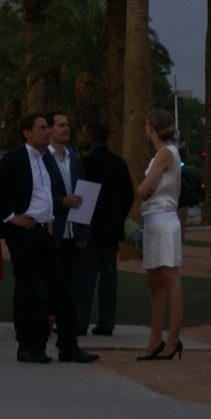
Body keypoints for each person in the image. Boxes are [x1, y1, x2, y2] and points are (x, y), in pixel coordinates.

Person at [0, 112, 97, 364]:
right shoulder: (16, 158)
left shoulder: (44, 159)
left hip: (43, 231)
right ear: (27, 133)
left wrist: (48, 218)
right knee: (28, 289)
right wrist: (10, 216)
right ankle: (28, 346)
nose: (47, 132)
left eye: (48, 128)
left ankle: (68, 345)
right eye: (42, 128)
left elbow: (43, 194)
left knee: (60, 287)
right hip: (23, 231)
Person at [132, 108, 185, 359]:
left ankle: (173, 339)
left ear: (150, 127)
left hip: (163, 219)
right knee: (154, 282)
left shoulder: (165, 153)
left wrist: (144, 188)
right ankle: (155, 339)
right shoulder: (164, 154)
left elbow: (143, 188)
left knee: (169, 279)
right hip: (154, 220)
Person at [75, 121, 134, 337]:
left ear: (90, 136)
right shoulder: (119, 163)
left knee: (86, 275)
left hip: (92, 227)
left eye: (82, 132)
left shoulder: (87, 163)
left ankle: (80, 322)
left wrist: (81, 227)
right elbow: (129, 194)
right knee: (109, 275)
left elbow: (83, 196)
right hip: (112, 227)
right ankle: (107, 322)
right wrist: (118, 217)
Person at [46, 112, 89, 344]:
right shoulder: (43, 159)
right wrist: (60, 202)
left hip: (72, 234)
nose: (66, 129)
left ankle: (68, 341)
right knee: (48, 289)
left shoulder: (74, 160)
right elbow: (36, 196)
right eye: (61, 125)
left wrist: (82, 232)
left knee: (71, 290)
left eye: (67, 125)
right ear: (49, 130)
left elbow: (83, 196)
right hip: (51, 233)